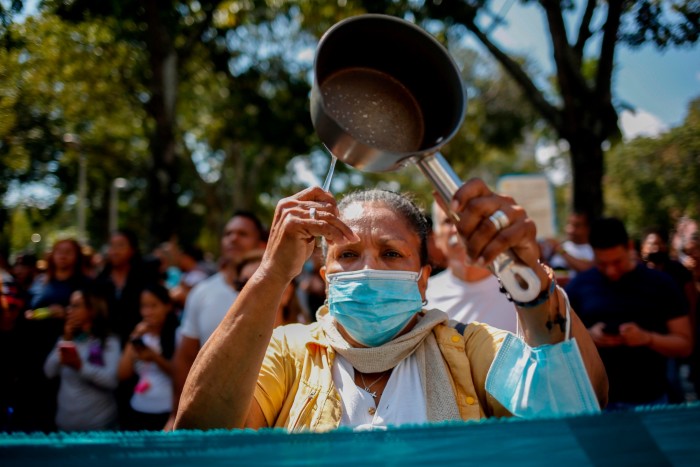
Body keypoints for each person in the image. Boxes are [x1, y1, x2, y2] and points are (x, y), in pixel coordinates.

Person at [174, 183, 607, 431]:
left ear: (423, 279)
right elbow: (200, 427)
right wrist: (271, 273)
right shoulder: (288, 351)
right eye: (346, 255)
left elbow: (575, 402)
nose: (367, 268)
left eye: (391, 253)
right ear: (325, 279)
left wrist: (527, 274)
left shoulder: (468, 346)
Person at [566, 217, 693, 410]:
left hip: (651, 401)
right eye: (602, 263)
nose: (611, 271)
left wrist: (647, 338)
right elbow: (557, 345)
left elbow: (685, 345)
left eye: (617, 261)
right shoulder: (579, 286)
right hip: (595, 405)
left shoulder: (661, 284)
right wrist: (588, 337)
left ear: (630, 247)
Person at [168, 210, 266, 429]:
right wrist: (176, 415)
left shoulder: (282, 292)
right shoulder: (201, 292)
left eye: (242, 233)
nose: (233, 238)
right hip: (209, 420)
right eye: (228, 233)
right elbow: (185, 358)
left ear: (261, 243)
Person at [17, 238, 91, 432]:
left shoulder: (84, 285)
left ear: (77, 257)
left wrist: (65, 313)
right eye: (58, 250)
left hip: (68, 354)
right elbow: (26, 310)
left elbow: (92, 315)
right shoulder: (40, 281)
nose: (63, 255)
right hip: (35, 352)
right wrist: (33, 315)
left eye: (68, 251)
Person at [425, 201, 518, 332]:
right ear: (436, 238)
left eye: (466, 219)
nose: (458, 230)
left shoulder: (522, 290)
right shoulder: (423, 296)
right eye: (448, 221)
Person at [43, 287, 121, 431]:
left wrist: (79, 366)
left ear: (92, 309)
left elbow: (111, 380)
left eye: (76, 306)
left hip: (99, 428)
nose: (69, 310)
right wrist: (66, 340)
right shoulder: (67, 339)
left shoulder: (109, 341)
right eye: (69, 305)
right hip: (65, 428)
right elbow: (49, 371)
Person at [118, 284, 178, 430]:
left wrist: (154, 357)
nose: (148, 312)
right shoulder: (139, 336)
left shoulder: (178, 335)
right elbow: (122, 374)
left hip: (166, 412)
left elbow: (181, 375)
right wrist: (134, 337)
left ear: (167, 306)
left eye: (154, 306)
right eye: (144, 306)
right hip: (138, 409)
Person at [235, 249, 308, 328]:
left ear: (286, 291)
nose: (248, 292)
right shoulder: (227, 338)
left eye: (261, 284)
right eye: (242, 284)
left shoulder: (308, 338)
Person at [541, 211, 594, 284]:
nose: (570, 230)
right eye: (569, 224)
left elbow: (588, 270)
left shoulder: (594, 250)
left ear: (587, 228)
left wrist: (560, 250)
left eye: (577, 226)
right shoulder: (562, 246)